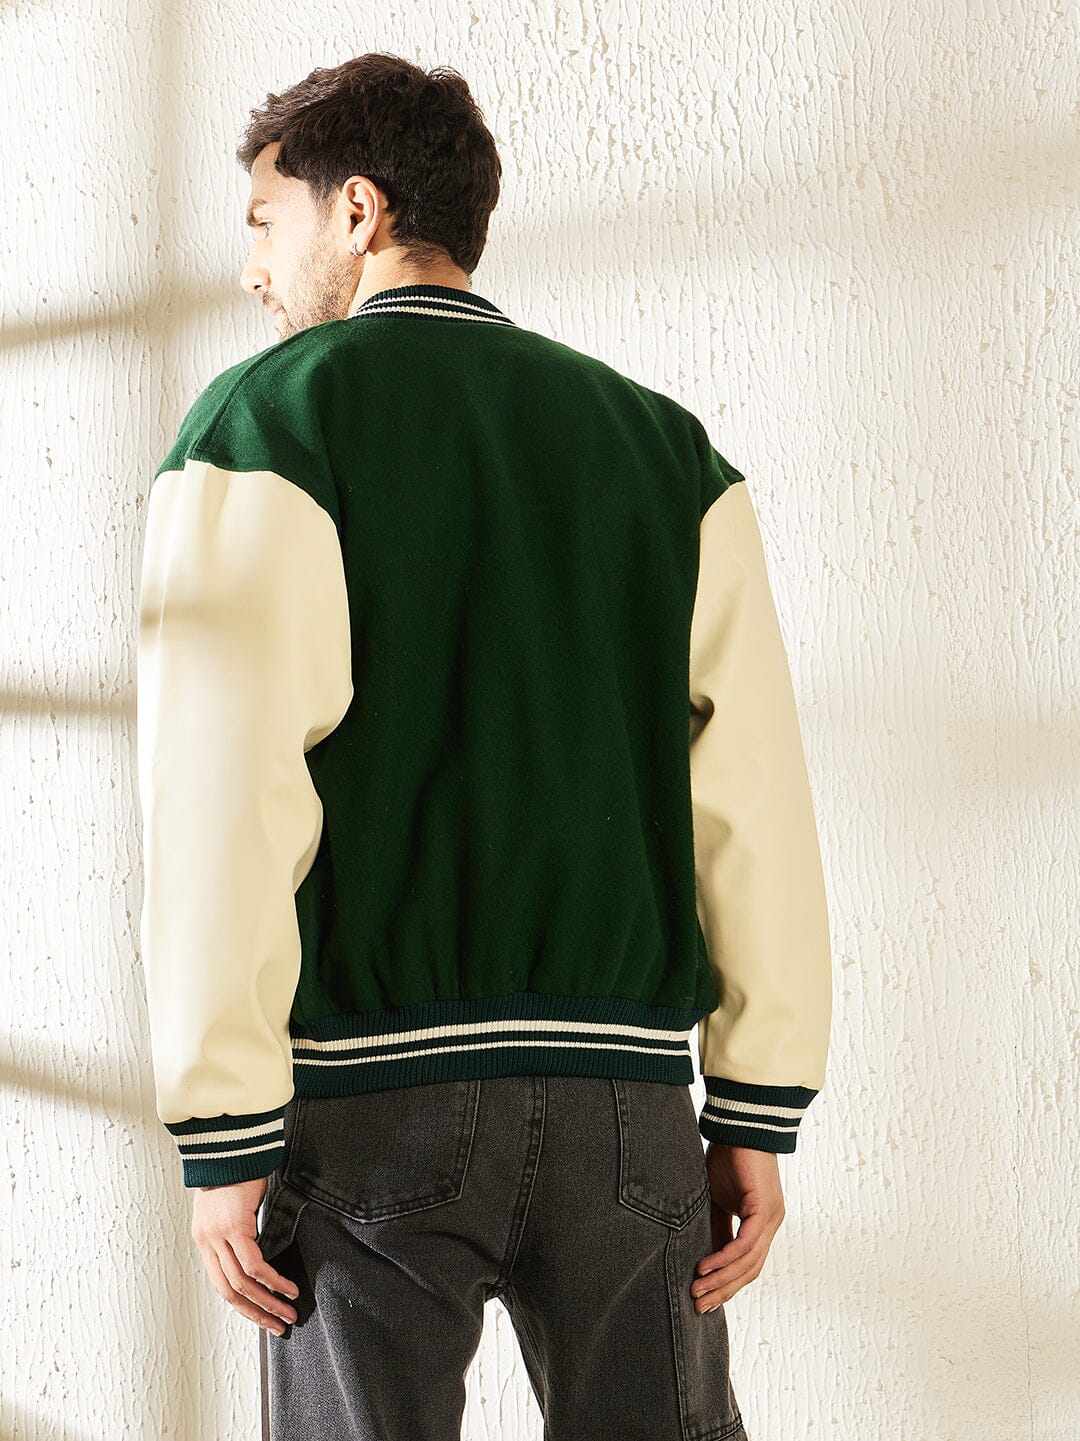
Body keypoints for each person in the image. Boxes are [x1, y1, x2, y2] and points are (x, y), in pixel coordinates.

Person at [135, 51, 832, 1441]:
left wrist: (222, 1129)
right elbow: (751, 796)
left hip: (371, 1102)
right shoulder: (665, 451)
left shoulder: (271, 424)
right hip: (629, 1109)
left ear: (358, 211)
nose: (254, 271)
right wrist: (757, 1104)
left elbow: (222, 792)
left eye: (266, 223)